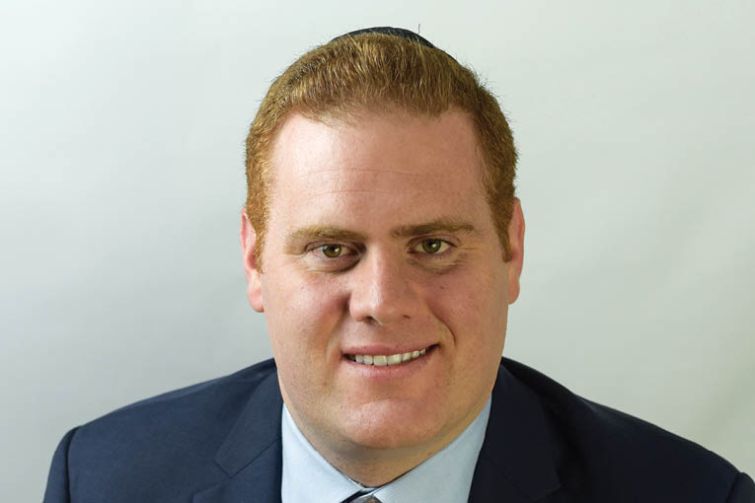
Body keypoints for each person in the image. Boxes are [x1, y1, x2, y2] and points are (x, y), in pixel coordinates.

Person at [43, 27, 754, 503]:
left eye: (432, 245)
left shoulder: (694, 494)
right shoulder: (103, 479)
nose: (381, 301)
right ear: (255, 259)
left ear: (510, 248)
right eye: (332, 250)